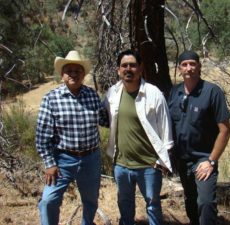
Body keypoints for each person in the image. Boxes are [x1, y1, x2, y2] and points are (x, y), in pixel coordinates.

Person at [36, 50, 109, 225]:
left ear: (83, 74)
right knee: (48, 201)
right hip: (62, 160)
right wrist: (50, 163)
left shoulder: (92, 95)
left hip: (91, 158)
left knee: (90, 200)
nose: (74, 74)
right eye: (69, 71)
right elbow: (42, 136)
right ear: (62, 75)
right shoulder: (51, 99)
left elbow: (105, 120)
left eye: (78, 71)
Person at [104, 49, 173, 225]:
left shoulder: (154, 93)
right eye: (124, 65)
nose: (128, 69)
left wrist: (162, 160)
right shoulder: (112, 93)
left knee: (152, 205)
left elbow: (166, 130)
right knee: (125, 205)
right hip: (121, 164)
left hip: (149, 164)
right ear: (118, 70)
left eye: (133, 65)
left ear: (140, 68)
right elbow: (105, 119)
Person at [168, 50, 230, 225]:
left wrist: (211, 161)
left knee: (205, 202)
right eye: (185, 64)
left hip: (203, 160)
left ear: (199, 66)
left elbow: (225, 130)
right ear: (179, 68)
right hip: (182, 160)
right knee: (190, 200)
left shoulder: (212, 92)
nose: (189, 68)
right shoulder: (175, 92)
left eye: (192, 64)